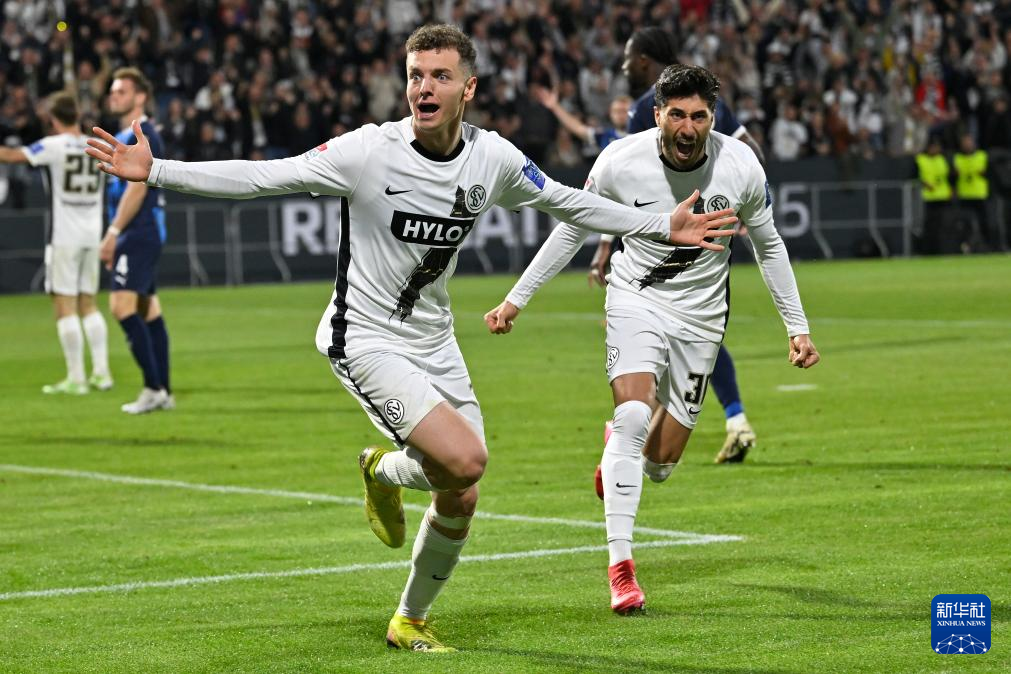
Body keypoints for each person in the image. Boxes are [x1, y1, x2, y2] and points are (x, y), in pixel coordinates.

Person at [85, 25, 736, 652]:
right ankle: (382, 470)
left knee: (462, 491)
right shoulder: (368, 151)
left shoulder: (492, 158)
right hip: (364, 336)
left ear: (468, 88)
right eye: (415, 75)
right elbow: (264, 177)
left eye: (440, 76)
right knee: (467, 461)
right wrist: (156, 170)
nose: (424, 87)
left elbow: (569, 202)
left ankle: (409, 618)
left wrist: (659, 225)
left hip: (434, 338)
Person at [485, 64, 819, 615]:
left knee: (660, 464)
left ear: (713, 118)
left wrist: (797, 326)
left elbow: (769, 245)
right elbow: (573, 226)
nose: (688, 129)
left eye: (700, 117)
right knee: (635, 415)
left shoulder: (740, 166)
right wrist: (516, 298)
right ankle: (621, 569)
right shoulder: (619, 162)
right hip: (635, 299)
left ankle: (618, 448)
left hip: (702, 319)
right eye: (677, 115)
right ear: (657, 113)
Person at [590, 26, 766, 464]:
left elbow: (624, 194)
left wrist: (605, 247)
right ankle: (732, 419)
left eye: (629, 59)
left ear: (644, 60)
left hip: (666, 250)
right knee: (697, 335)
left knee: (681, 338)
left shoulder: (645, 110)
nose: (625, 67)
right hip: (703, 244)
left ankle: (628, 436)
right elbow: (751, 148)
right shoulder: (708, 100)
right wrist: (750, 203)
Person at [0, 91, 113, 395]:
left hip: (64, 236)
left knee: (64, 306)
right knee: (89, 303)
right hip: (93, 233)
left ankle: (76, 378)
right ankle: (102, 374)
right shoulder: (95, 145)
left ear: (52, 118)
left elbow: (12, 155)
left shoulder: (53, 145)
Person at [101, 67, 174, 414]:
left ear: (140, 96)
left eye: (122, 91)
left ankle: (153, 388)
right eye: (113, 91)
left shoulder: (142, 135)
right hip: (142, 231)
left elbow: (136, 190)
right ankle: (164, 392)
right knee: (148, 309)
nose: (114, 96)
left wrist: (113, 233)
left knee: (121, 307)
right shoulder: (126, 134)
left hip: (138, 232)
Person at [532, 86, 632, 155]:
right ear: (610, 114)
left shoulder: (640, 136)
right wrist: (555, 107)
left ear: (633, 113)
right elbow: (578, 128)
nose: (620, 115)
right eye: (616, 111)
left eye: (624, 111)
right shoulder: (605, 136)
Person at [952, 134, 993, 252]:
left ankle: (986, 246)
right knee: (965, 223)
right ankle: (966, 246)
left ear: (974, 143)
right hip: (964, 195)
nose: (967, 145)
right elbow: (952, 177)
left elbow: (991, 174)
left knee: (984, 222)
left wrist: (985, 173)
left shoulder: (982, 156)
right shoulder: (957, 158)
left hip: (980, 194)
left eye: (969, 142)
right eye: (965, 143)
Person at [915, 136, 953, 254]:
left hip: (943, 197)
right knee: (928, 226)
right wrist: (923, 183)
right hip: (927, 198)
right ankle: (928, 251)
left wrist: (951, 189)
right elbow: (913, 176)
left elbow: (950, 176)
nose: (935, 149)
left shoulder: (943, 159)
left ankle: (943, 250)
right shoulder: (920, 159)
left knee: (943, 225)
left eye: (937, 147)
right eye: (933, 147)